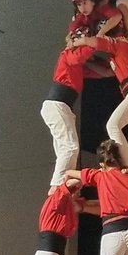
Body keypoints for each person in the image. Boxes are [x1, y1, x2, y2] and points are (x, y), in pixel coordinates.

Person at [70, 32, 128, 177]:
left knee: (113, 125)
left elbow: (91, 41)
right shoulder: (119, 52)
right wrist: (87, 62)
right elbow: (106, 71)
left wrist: (73, 44)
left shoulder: (117, 44)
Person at [40, 37, 98, 187]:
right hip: (57, 105)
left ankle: (61, 184)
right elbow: (83, 53)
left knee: (64, 150)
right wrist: (96, 40)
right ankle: (57, 186)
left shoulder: (78, 66)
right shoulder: (67, 54)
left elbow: (103, 72)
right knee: (70, 147)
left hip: (61, 107)